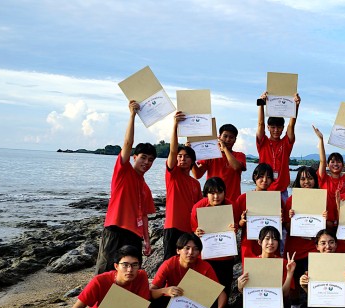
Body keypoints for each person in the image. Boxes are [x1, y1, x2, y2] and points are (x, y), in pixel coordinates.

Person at [95, 100, 157, 274]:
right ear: (134, 157)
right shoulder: (123, 171)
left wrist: (147, 240)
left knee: (130, 275)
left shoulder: (145, 188)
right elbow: (127, 143)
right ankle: (98, 302)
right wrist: (132, 115)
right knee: (106, 272)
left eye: (151, 160)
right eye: (143, 157)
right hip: (115, 229)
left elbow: (144, 216)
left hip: (134, 235)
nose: (146, 162)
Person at [147, 233, 227, 308]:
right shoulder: (168, 265)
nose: (191, 253)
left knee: (213, 296)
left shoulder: (205, 266)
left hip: (196, 303)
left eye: (195, 249)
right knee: (147, 300)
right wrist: (165, 291)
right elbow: (151, 292)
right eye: (187, 248)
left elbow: (220, 292)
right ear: (178, 250)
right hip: (173, 302)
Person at [237, 226, 296, 308]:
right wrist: (240, 286)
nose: (271, 242)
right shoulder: (252, 263)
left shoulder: (284, 263)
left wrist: (290, 274)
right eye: (267, 239)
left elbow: (285, 295)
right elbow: (246, 291)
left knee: (286, 301)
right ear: (259, 242)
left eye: (274, 239)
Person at [284, 166, 329, 308]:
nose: (306, 182)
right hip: (295, 245)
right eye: (303, 179)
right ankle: (295, 305)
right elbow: (287, 227)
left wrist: (325, 218)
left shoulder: (322, 199)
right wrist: (291, 219)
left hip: (313, 247)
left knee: (314, 277)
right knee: (294, 278)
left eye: (310, 178)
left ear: (315, 180)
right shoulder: (291, 200)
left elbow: (329, 227)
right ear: (298, 181)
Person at [163, 111, 203, 261]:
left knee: (186, 263)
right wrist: (175, 126)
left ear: (192, 161)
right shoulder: (173, 175)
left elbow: (199, 208)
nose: (182, 159)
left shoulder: (196, 183)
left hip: (189, 229)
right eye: (180, 156)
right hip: (172, 226)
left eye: (186, 157)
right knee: (170, 262)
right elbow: (173, 150)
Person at [191, 177, 237, 307]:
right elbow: (193, 231)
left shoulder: (231, 206)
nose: (216, 196)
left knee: (224, 284)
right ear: (206, 193)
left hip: (225, 255)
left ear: (224, 192)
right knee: (206, 286)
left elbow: (236, 226)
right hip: (206, 255)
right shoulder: (198, 207)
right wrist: (197, 232)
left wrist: (235, 228)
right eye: (212, 193)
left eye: (219, 192)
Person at [256, 91, 301, 201]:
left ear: (282, 128)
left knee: (283, 218)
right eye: (273, 127)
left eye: (279, 127)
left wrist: (296, 105)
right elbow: (260, 123)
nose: (276, 130)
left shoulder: (286, 143)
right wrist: (261, 104)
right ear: (268, 128)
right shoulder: (263, 142)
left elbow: (292, 125)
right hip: (263, 190)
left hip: (282, 192)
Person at [191, 123, 247, 202]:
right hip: (213, 201)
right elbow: (197, 175)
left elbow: (236, 167)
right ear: (219, 136)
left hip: (232, 201)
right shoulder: (211, 154)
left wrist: (224, 148)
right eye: (225, 136)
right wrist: (191, 157)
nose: (228, 140)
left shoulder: (239, 155)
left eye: (231, 137)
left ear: (235, 140)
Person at [235, 163, 279, 259]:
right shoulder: (243, 199)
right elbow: (237, 225)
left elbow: (282, 224)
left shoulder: (276, 199)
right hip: (249, 243)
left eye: (268, 177)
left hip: (270, 244)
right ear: (255, 177)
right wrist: (243, 220)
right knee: (249, 272)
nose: (265, 180)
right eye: (261, 176)